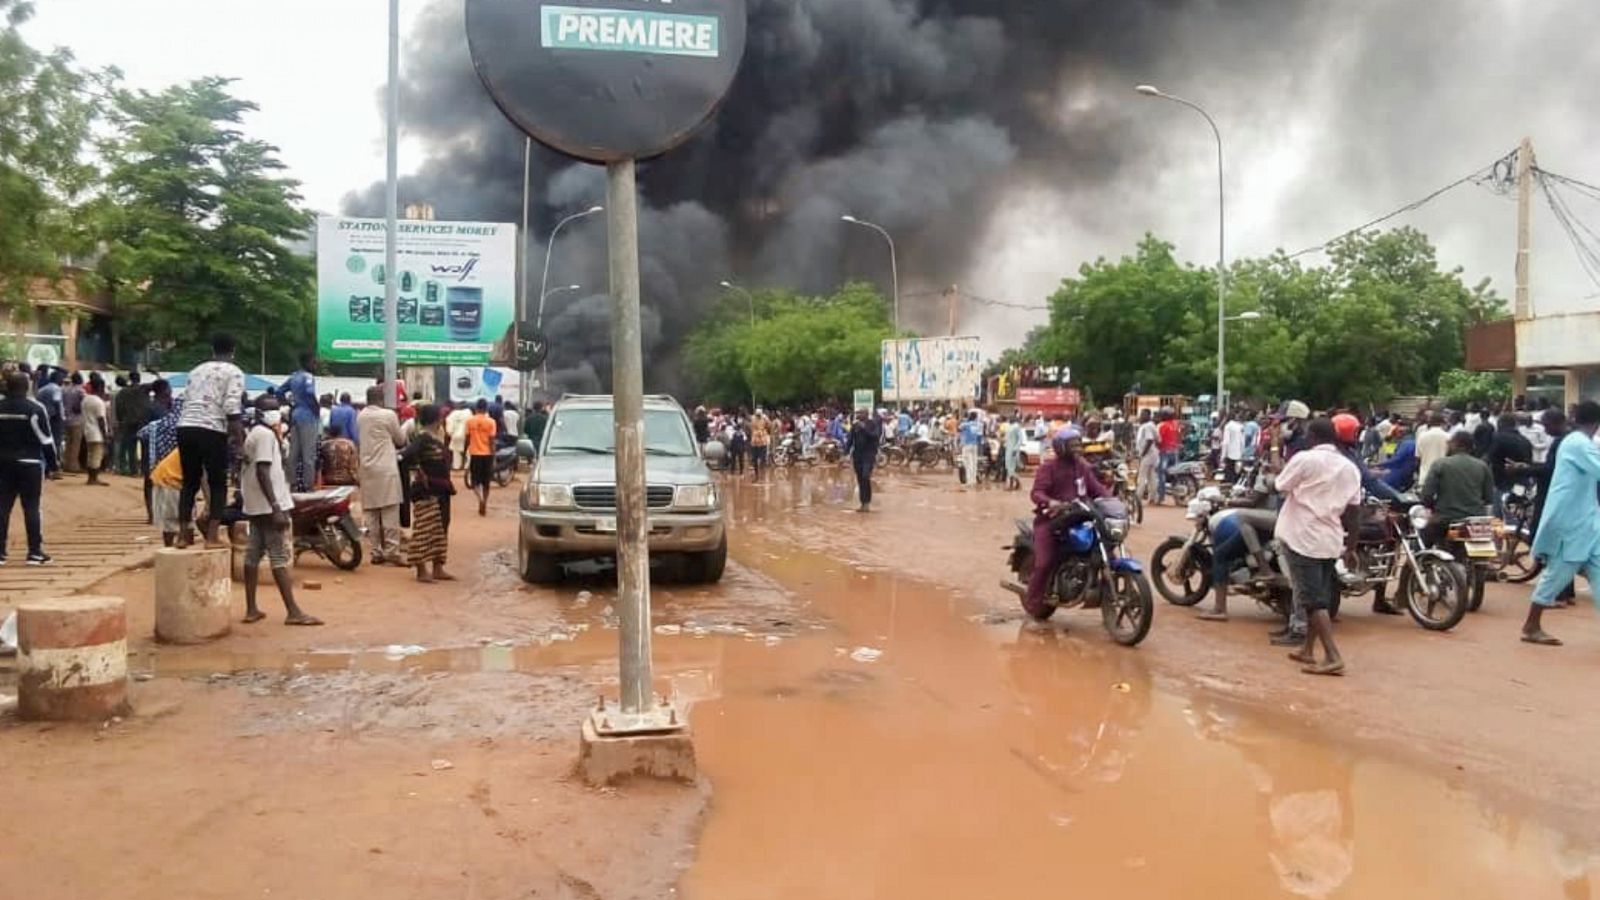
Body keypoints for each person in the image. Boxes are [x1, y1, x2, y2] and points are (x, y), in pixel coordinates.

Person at [1272, 417, 1361, 675]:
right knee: (1317, 594)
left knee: (1312, 601)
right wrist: (1352, 547)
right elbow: (1355, 511)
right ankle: (1308, 650)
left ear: (1311, 437)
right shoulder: (1348, 467)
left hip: (1302, 537)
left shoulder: (1304, 459)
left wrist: (1276, 448)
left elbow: (1280, 484)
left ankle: (1333, 656)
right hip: (1331, 540)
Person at [1520, 401, 1600, 646]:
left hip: (1585, 520)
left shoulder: (1579, 442)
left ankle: (1532, 625)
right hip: (1571, 522)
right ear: (1596, 424)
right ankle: (1531, 625)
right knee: (1558, 573)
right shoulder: (1578, 444)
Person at [239, 395, 321, 627]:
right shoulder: (265, 436)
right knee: (278, 555)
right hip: (268, 504)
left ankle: (252, 608)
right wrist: (276, 506)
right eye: (272, 409)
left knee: (253, 553)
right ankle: (293, 611)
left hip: (256, 504)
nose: (277, 412)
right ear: (263, 413)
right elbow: (263, 471)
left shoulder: (257, 434)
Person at [1022, 427, 1110, 620]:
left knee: (1104, 542)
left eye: (1079, 443)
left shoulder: (1081, 467)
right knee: (1044, 563)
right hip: (1051, 520)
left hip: (1080, 518)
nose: (1078, 448)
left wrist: (1112, 500)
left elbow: (1097, 489)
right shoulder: (1048, 468)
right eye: (1073, 444)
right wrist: (1051, 502)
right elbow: (1036, 493)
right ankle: (1033, 602)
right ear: (1061, 447)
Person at [176, 334, 246, 548]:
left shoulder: (196, 370)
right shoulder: (234, 372)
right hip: (212, 429)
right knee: (217, 483)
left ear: (212, 350)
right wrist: (240, 442)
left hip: (185, 427)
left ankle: (182, 534)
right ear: (233, 351)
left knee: (189, 482)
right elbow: (231, 408)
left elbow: (186, 398)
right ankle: (212, 536)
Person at [0, 372, 59, 565]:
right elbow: (46, 440)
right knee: (32, 507)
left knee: (2, 507)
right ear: (27, 387)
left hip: (3, 465)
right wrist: (53, 465)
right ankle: (34, 552)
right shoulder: (35, 408)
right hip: (30, 465)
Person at [400, 404, 456, 583]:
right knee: (425, 529)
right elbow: (406, 456)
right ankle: (421, 570)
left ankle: (438, 567)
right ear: (436, 419)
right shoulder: (423, 438)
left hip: (441, 489)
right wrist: (418, 470)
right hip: (427, 490)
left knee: (441, 527)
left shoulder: (435, 437)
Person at [357, 385, 407, 565]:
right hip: (386, 468)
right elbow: (400, 439)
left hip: (367, 468)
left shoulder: (360, 416)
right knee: (389, 510)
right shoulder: (388, 415)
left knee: (371, 511)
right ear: (382, 399)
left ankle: (375, 551)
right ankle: (392, 551)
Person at [1421, 432, 1495, 546]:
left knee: (1420, 541)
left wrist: (1432, 508)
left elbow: (1427, 494)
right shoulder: (1482, 466)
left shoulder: (1440, 464)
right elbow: (1489, 498)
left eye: (1450, 443)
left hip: (1446, 519)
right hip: (1475, 520)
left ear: (1457, 445)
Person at [277, 352, 320, 492]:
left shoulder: (294, 376)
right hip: (308, 416)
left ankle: (292, 484)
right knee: (308, 454)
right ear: (308, 362)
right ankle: (309, 487)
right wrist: (316, 408)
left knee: (293, 452)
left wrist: (289, 404)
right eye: (314, 362)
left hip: (295, 415)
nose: (315, 365)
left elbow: (279, 391)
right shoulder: (308, 377)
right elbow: (309, 392)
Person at [1485, 413, 1533, 515]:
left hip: (1503, 483)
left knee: (1500, 516)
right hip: (1521, 484)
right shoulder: (1525, 441)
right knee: (1517, 514)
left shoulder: (1498, 438)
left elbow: (1490, 458)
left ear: (1500, 424)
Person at [843, 408, 882, 512]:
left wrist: (864, 428)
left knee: (865, 477)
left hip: (869, 455)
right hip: (857, 455)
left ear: (866, 414)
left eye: (860, 413)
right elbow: (850, 440)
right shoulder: (855, 426)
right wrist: (845, 453)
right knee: (860, 479)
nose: (858, 415)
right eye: (857, 413)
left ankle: (867, 502)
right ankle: (862, 503)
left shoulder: (873, 424)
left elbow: (875, 436)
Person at [112, 370, 149, 476]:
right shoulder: (143, 389)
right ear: (139, 378)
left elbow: (118, 409)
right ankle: (144, 470)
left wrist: (121, 420)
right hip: (143, 421)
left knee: (131, 446)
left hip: (128, 422)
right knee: (144, 446)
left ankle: (133, 470)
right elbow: (159, 385)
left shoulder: (122, 392)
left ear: (130, 379)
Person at [465, 398, 498, 516]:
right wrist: (494, 456)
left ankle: (480, 499)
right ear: (486, 408)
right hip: (487, 454)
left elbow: (467, 439)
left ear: (476, 408)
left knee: (475, 482)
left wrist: (466, 451)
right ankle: (485, 501)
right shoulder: (491, 422)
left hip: (475, 454)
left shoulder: (469, 421)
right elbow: (492, 440)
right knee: (486, 482)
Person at [80, 378, 110, 486]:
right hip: (97, 432)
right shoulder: (98, 402)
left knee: (91, 455)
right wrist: (105, 435)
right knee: (96, 456)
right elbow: (101, 420)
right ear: (101, 387)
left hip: (87, 430)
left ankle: (91, 478)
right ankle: (93, 479)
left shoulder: (85, 399)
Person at [1374, 423, 1417, 491]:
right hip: (1407, 472)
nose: (1397, 434)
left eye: (1400, 432)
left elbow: (1397, 459)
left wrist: (1379, 464)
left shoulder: (1407, 443)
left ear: (1404, 433)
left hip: (1400, 472)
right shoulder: (1411, 442)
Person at [36, 370, 64, 469]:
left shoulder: (42, 389)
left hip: (43, 418)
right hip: (54, 418)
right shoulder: (56, 389)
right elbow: (57, 403)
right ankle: (53, 466)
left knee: (45, 441)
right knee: (55, 442)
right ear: (58, 379)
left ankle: (45, 466)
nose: (63, 381)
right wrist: (60, 418)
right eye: (62, 378)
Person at [1415, 411, 1450, 487]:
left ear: (1429, 422)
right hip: (1443, 476)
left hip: (1425, 475)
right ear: (1442, 422)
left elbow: (1417, 458)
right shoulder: (1448, 437)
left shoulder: (1422, 436)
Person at [1155, 409, 1181, 505]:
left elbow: (1158, 440)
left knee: (1161, 474)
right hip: (1174, 451)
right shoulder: (1175, 424)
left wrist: (1157, 447)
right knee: (1175, 474)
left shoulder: (1162, 425)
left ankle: (1160, 497)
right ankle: (1177, 496)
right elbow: (1179, 435)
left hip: (1164, 451)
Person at [1133, 409, 1159, 504]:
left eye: (1143, 415)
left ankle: (1138, 498)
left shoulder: (1147, 426)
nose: (1141, 417)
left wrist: (1142, 454)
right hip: (1153, 454)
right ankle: (1153, 497)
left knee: (1142, 477)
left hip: (1147, 454)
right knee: (1152, 476)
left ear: (1148, 416)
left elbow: (1149, 440)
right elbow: (1157, 439)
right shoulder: (1152, 425)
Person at [62, 372, 85, 473]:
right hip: (77, 420)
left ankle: (66, 464)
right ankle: (73, 466)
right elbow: (83, 403)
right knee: (76, 444)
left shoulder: (65, 390)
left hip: (66, 419)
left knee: (68, 443)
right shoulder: (80, 391)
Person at [958, 410, 983, 487]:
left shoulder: (965, 424)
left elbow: (959, 429)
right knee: (974, 463)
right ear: (976, 417)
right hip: (975, 445)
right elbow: (980, 436)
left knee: (967, 463)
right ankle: (974, 480)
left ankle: (969, 481)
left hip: (967, 445)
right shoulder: (979, 425)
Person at [445, 402, 472, 470]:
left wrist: (450, 432)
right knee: (467, 451)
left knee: (456, 452)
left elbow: (448, 421)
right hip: (465, 434)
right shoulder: (468, 412)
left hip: (455, 435)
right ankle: (467, 466)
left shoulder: (453, 413)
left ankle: (456, 466)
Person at [1221, 410, 1246, 482]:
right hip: (1239, 455)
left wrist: (1223, 456)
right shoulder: (1240, 426)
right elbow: (1242, 442)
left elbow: (1226, 442)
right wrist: (1242, 454)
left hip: (1230, 455)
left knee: (1229, 476)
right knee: (1237, 476)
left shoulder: (1228, 426)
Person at [750, 408, 772, 481]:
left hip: (762, 441)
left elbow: (769, 426)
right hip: (755, 441)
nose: (758, 416)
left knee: (762, 460)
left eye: (759, 415)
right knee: (755, 460)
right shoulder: (753, 418)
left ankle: (761, 476)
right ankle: (757, 476)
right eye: (757, 415)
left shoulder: (765, 418)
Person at [1003, 414, 1024, 491]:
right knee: (1008, 467)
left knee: (1011, 468)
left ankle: (1017, 483)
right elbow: (1007, 438)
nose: (1010, 419)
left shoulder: (1016, 427)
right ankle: (1013, 484)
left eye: (1011, 418)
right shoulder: (1009, 426)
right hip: (1008, 448)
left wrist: (1015, 449)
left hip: (1013, 450)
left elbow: (1020, 439)